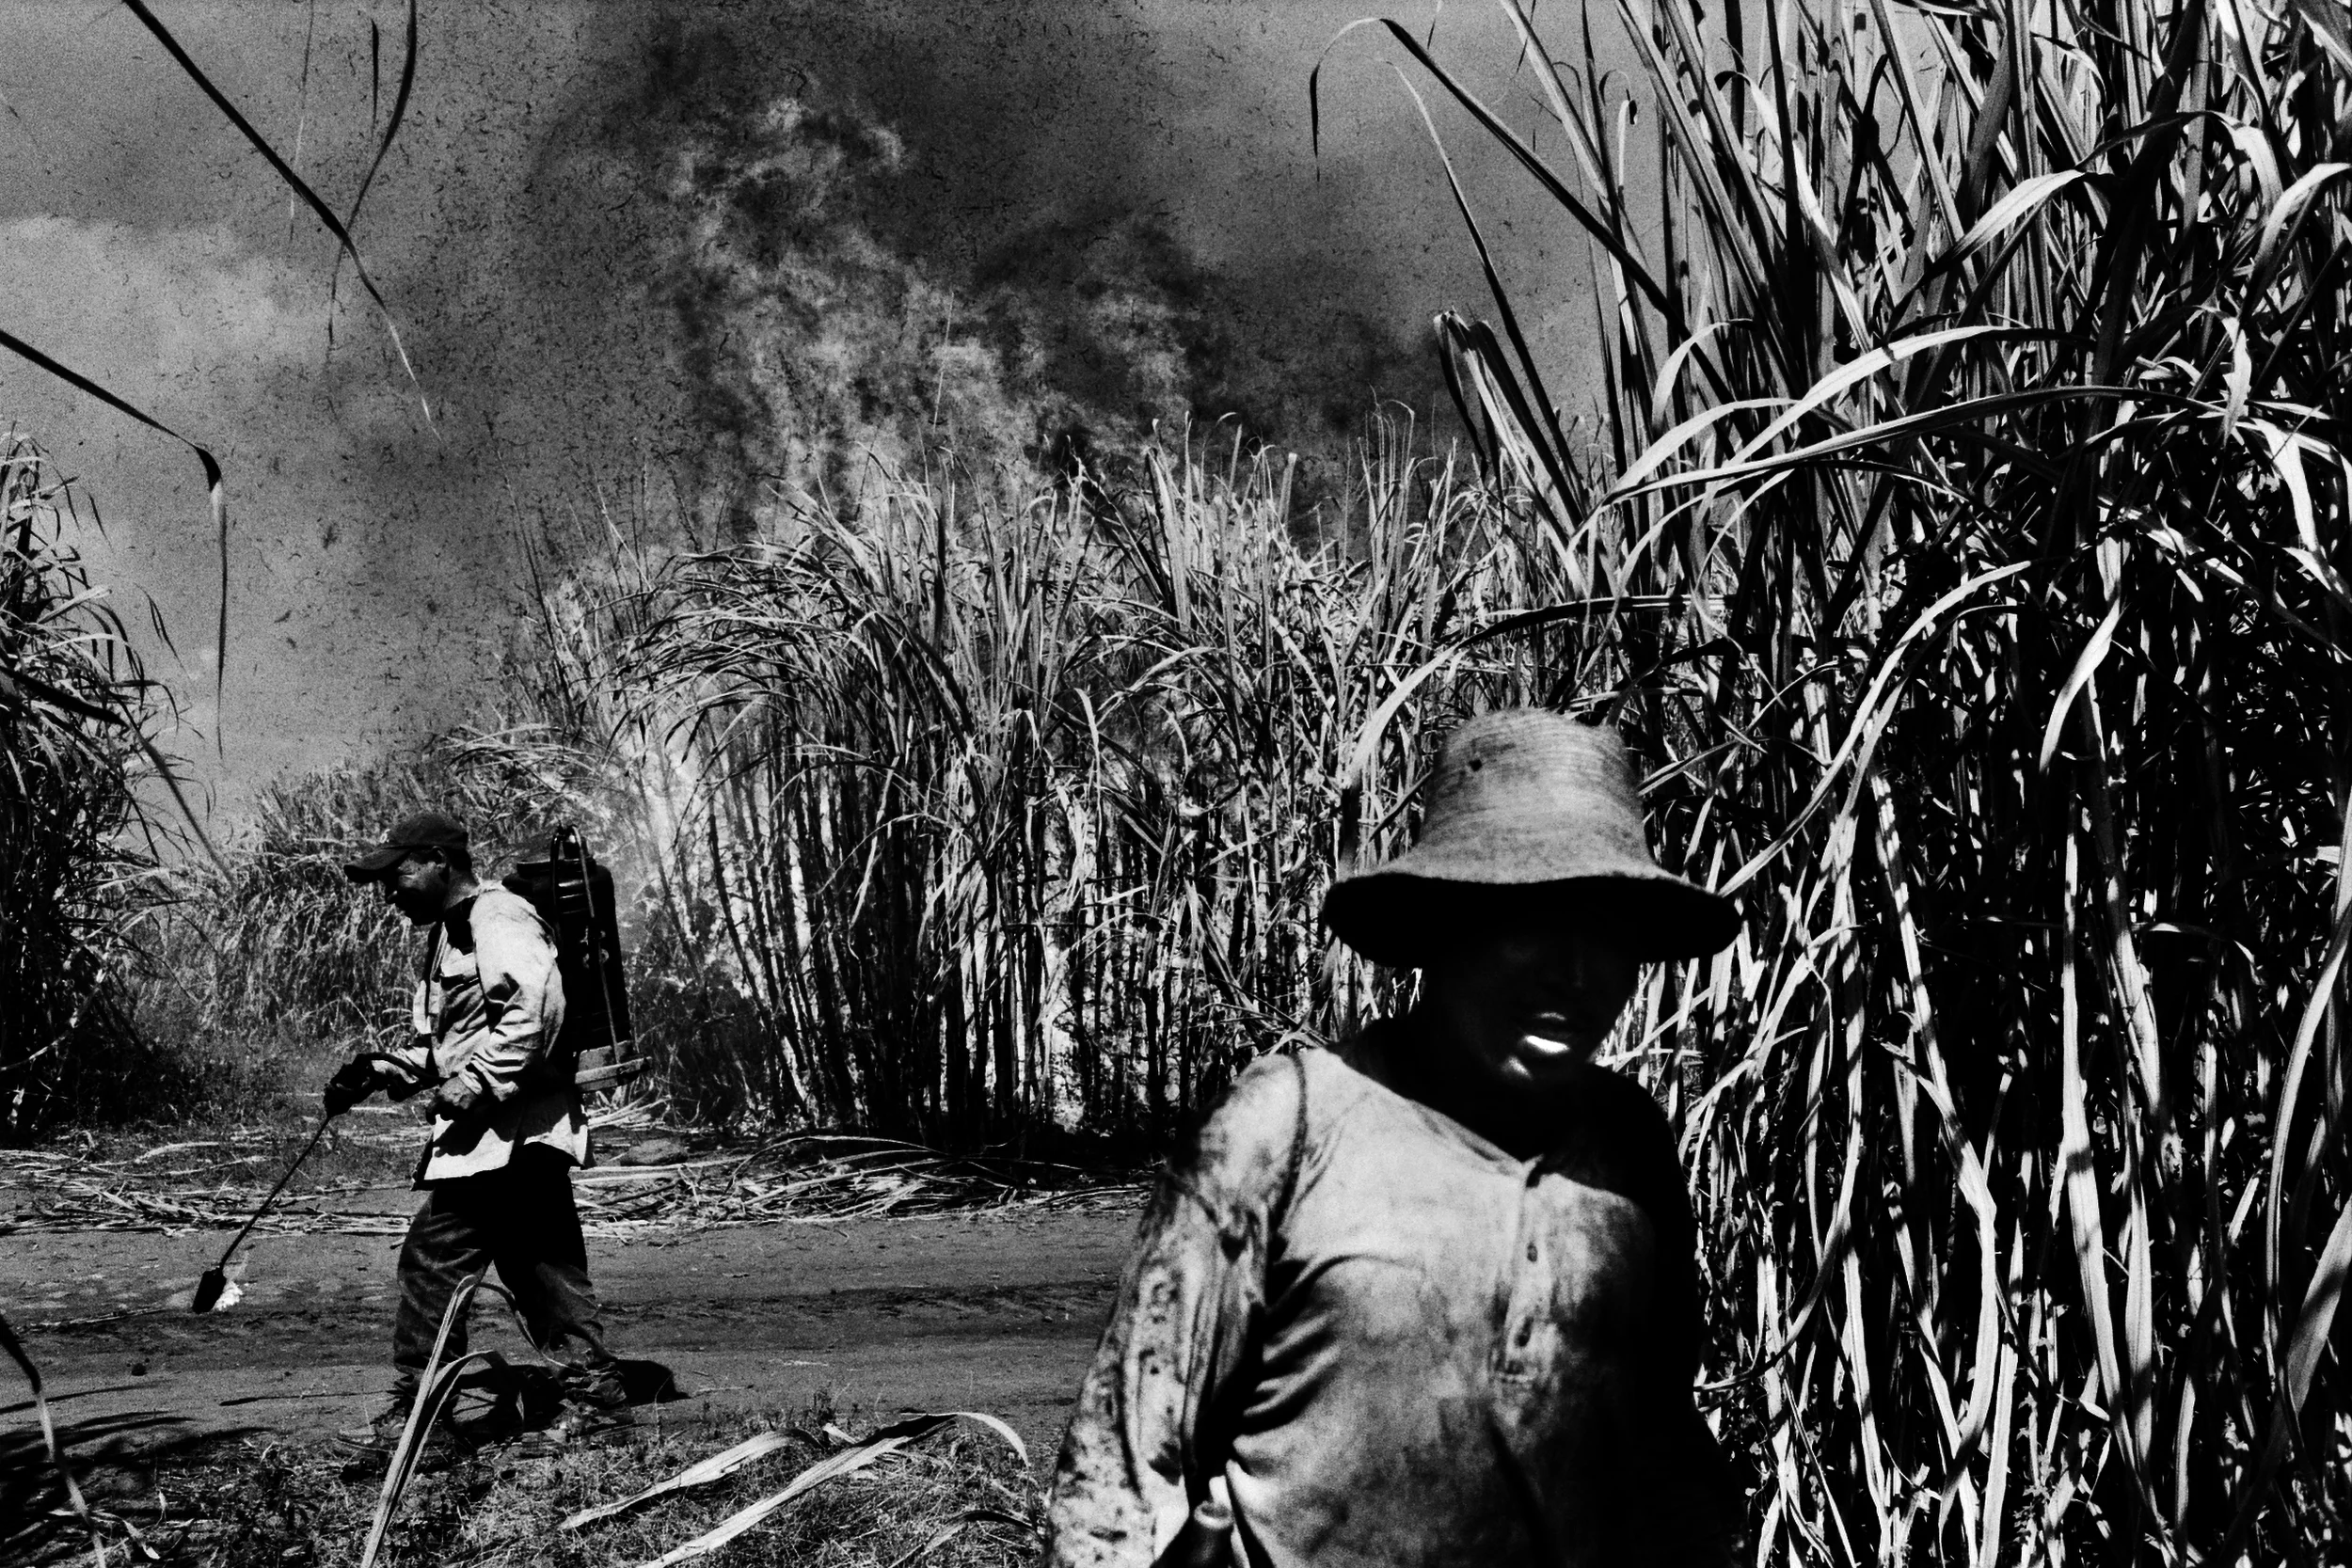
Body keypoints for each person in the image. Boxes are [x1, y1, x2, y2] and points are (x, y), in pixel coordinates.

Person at [1044, 710, 1746, 1567]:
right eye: (1531, 919)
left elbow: (1661, 1460)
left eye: (1605, 929)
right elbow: (1122, 1476)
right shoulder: (1287, 1125)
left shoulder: (1629, 1147)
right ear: (1442, 925)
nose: (1572, 970)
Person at [326, 810, 628, 1447]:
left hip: (510, 1131)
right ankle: (595, 1403)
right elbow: (449, 1046)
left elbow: (535, 1008)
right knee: (541, 1267)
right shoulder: (451, 932)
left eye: (398, 874)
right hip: (510, 1133)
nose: (390, 892)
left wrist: (480, 1081)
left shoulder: (498, 916)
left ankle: (423, 1419)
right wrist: (381, 1069)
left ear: (439, 861)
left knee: (434, 1261)